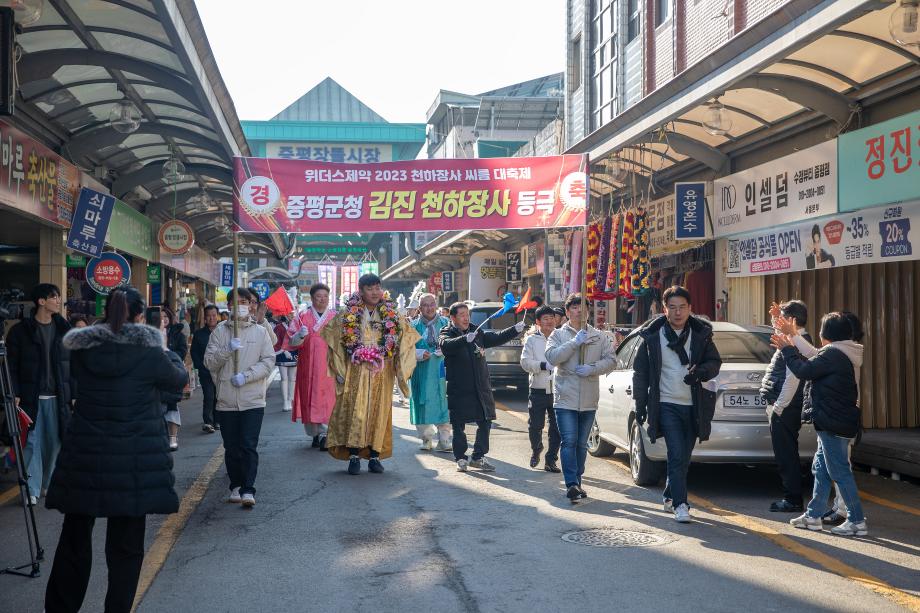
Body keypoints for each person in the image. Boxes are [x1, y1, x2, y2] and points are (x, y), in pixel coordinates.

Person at [44, 286, 187, 613]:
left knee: (74, 539)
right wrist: (163, 343)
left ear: (106, 310)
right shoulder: (152, 353)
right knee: (126, 547)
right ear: (140, 315)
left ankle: (60, 608)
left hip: (87, 458)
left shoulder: (83, 349)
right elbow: (176, 379)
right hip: (133, 462)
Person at [632, 285, 722, 523]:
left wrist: (700, 372)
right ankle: (681, 504)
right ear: (664, 309)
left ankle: (670, 496)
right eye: (672, 307)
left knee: (684, 456)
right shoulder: (652, 335)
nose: (678, 312)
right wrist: (640, 405)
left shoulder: (701, 333)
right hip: (666, 403)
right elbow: (640, 373)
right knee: (676, 452)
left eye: (682, 307)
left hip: (694, 405)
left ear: (690, 308)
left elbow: (715, 362)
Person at [773, 312, 867, 536]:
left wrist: (787, 348)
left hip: (832, 422)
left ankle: (857, 520)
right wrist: (793, 336)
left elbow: (805, 369)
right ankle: (814, 515)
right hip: (834, 420)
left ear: (824, 334)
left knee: (840, 471)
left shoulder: (834, 354)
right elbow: (814, 355)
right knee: (821, 469)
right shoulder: (839, 352)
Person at [322, 274, 419, 475]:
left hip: (382, 371)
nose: (375, 292)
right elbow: (332, 339)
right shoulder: (348, 314)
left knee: (379, 410)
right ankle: (354, 456)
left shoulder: (392, 313)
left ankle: (375, 456)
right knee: (355, 411)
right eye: (370, 288)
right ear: (361, 291)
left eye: (377, 288)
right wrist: (339, 369)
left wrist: (398, 359)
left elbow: (407, 337)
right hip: (356, 370)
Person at [204, 288, 275, 507]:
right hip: (226, 400)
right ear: (229, 306)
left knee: (248, 445)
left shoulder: (260, 332)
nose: (241, 305)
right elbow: (209, 363)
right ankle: (235, 484)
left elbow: (268, 361)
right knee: (232, 446)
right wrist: (227, 349)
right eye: (236, 302)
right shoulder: (218, 333)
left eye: (245, 301)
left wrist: (247, 376)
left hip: (253, 399)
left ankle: (248, 488)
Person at [6, 283, 72, 506]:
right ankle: (31, 490)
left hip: (58, 397)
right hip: (29, 398)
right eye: (54, 296)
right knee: (31, 444)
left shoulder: (64, 329)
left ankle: (46, 484)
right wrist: (13, 391)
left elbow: (72, 365)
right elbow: (10, 366)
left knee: (54, 444)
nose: (58, 300)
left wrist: (75, 392)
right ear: (41, 301)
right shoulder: (20, 332)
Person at [545, 295, 616, 501]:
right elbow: (552, 358)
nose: (578, 311)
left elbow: (611, 361)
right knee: (569, 440)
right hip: (565, 396)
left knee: (581, 444)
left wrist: (592, 369)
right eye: (574, 307)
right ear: (567, 312)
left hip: (588, 397)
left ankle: (577, 479)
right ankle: (571, 483)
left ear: (588, 311)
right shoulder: (557, 335)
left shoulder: (599, 336)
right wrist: (574, 343)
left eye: (582, 307)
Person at [439, 302, 525, 472]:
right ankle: (461, 458)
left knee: (485, 421)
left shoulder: (477, 331)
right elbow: (446, 345)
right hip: (459, 387)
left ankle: (478, 456)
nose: (465, 318)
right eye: (461, 315)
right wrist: (464, 339)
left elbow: (496, 337)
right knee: (459, 424)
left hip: (481, 385)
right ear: (453, 317)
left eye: (467, 314)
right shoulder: (447, 332)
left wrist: (515, 329)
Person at [760, 300, 812, 513]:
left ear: (791, 321)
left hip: (787, 406)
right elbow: (779, 330)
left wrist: (779, 408)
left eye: (781, 318)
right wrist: (774, 317)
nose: (777, 322)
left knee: (786, 454)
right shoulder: (794, 338)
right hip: (786, 405)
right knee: (786, 453)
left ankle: (792, 499)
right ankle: (792, 496)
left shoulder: (795, 343)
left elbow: (793, 379)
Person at [288, 283, 337, 449]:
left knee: (327, 400)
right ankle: (315, 433)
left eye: (325, 296)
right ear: (312, 298)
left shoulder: (335, 317)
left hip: (328, 366)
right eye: (318, 296)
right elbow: (291, 343)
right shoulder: (302, 317)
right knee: (309, 398)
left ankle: (325, 434)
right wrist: (299, 335)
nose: (322, 299)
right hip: (308, 366)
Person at [520, 305, 561, 473]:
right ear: (538, 322)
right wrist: (543, 365)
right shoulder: (532, 340)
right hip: (538, 389)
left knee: (556, 428)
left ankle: (551, 460)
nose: (550, 321)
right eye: (545, 318)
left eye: (552, 318)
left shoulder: (560, 338)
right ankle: (536, 449)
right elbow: (524, 362)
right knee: (535, 426)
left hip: (558, 389)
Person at [409, 293, 452, 452]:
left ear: (437, 305)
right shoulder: (412, 327)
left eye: (432, 304)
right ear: (419, 308)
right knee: (422, 403)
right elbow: (404, 350)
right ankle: (426, 438)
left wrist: (446, 349)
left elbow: (457, 344)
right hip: (421, 371)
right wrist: (418, 353)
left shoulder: (447, 324)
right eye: (425, 305)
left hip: (443, 371)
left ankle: (445, 439)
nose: (429, 308)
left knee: (444, 402)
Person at [161, 306, 187, 451]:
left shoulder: (177, 333)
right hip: (157, 373)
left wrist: (169, 355)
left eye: (166, 316)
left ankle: (172, 437)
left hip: (173, 371)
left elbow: (182, 351)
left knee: (172, 403)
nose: (163, 319)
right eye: (160, 316)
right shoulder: (150, 332)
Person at [191, 305, 220, 433]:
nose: (211, 318)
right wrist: (201, 367)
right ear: (205, 317)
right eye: (209, 315)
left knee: (218, 396)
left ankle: (217, 420)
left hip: (220, 371)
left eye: (214, 315)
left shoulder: (223, 331)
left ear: (217, 316)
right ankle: (208, 422)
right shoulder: (199, 334)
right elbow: (194, 353)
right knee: (209, 395)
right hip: (206, 371)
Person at [273, 315, 298, 412]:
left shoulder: (296, 326)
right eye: (289, 314)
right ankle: (285, 401)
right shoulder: (278, 327)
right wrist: (284, 350)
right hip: (282, 354)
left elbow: (298, 340)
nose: (291, 316)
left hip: (294, 353)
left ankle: (290, 399)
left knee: (292, 378)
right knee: (284, 378)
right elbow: (275, 341)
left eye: (292, 315)